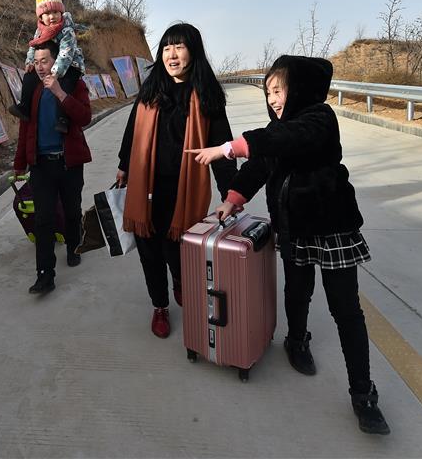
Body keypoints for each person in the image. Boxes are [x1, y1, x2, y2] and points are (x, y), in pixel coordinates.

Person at [187, 55, 390, 435]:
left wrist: (229, 148)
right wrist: (232, 199)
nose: (274, 99)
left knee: (345, 309)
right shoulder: (276, 127)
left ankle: (363, 395)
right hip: (294, 228)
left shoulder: (318, 118)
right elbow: (261, 166)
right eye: (268, 93)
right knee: (297, 291)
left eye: (279, 90)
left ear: (298, 88)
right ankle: (296, 341)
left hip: (332, 230)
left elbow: (287, 139)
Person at [117, 23, 236, 339]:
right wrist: (123, 166)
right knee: (149, 251)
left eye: (179, 46)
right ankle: (159, 306)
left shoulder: (208, 98)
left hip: (180, 189)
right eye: (167, 47)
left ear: (192, 51)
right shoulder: (150, 89)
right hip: (146, 188)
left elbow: (222, 148)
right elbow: (133, 130)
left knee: (177, 250)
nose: (172, 54)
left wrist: (231, 194)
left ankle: (180, 280)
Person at [13, 40, 91, 294]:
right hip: (41, 166)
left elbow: (84, 117)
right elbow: (25, 128)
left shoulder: (73, 83)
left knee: (71, 211)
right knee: (43, 219)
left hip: (69, 164)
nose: (39, 67)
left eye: (44, 61)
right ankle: (45, 275)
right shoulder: (33, 89)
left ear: (57, 60)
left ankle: (72, 246)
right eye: (36, 62)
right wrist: (19, 163)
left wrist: (59, 93)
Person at [9, 0, 86, 134]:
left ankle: (63, 118)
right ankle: (24, 106)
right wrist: (30, 62)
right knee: (29, 76)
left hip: (70, 65)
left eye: (55, 12)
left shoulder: (66, 30)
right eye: (47, 13)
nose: (52, 17)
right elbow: (33, 46)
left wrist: (55, 73)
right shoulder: (40, 31)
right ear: (40, 17)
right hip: (49, 63)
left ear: (61, 13)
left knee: (65, 84)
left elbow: (66, 53)